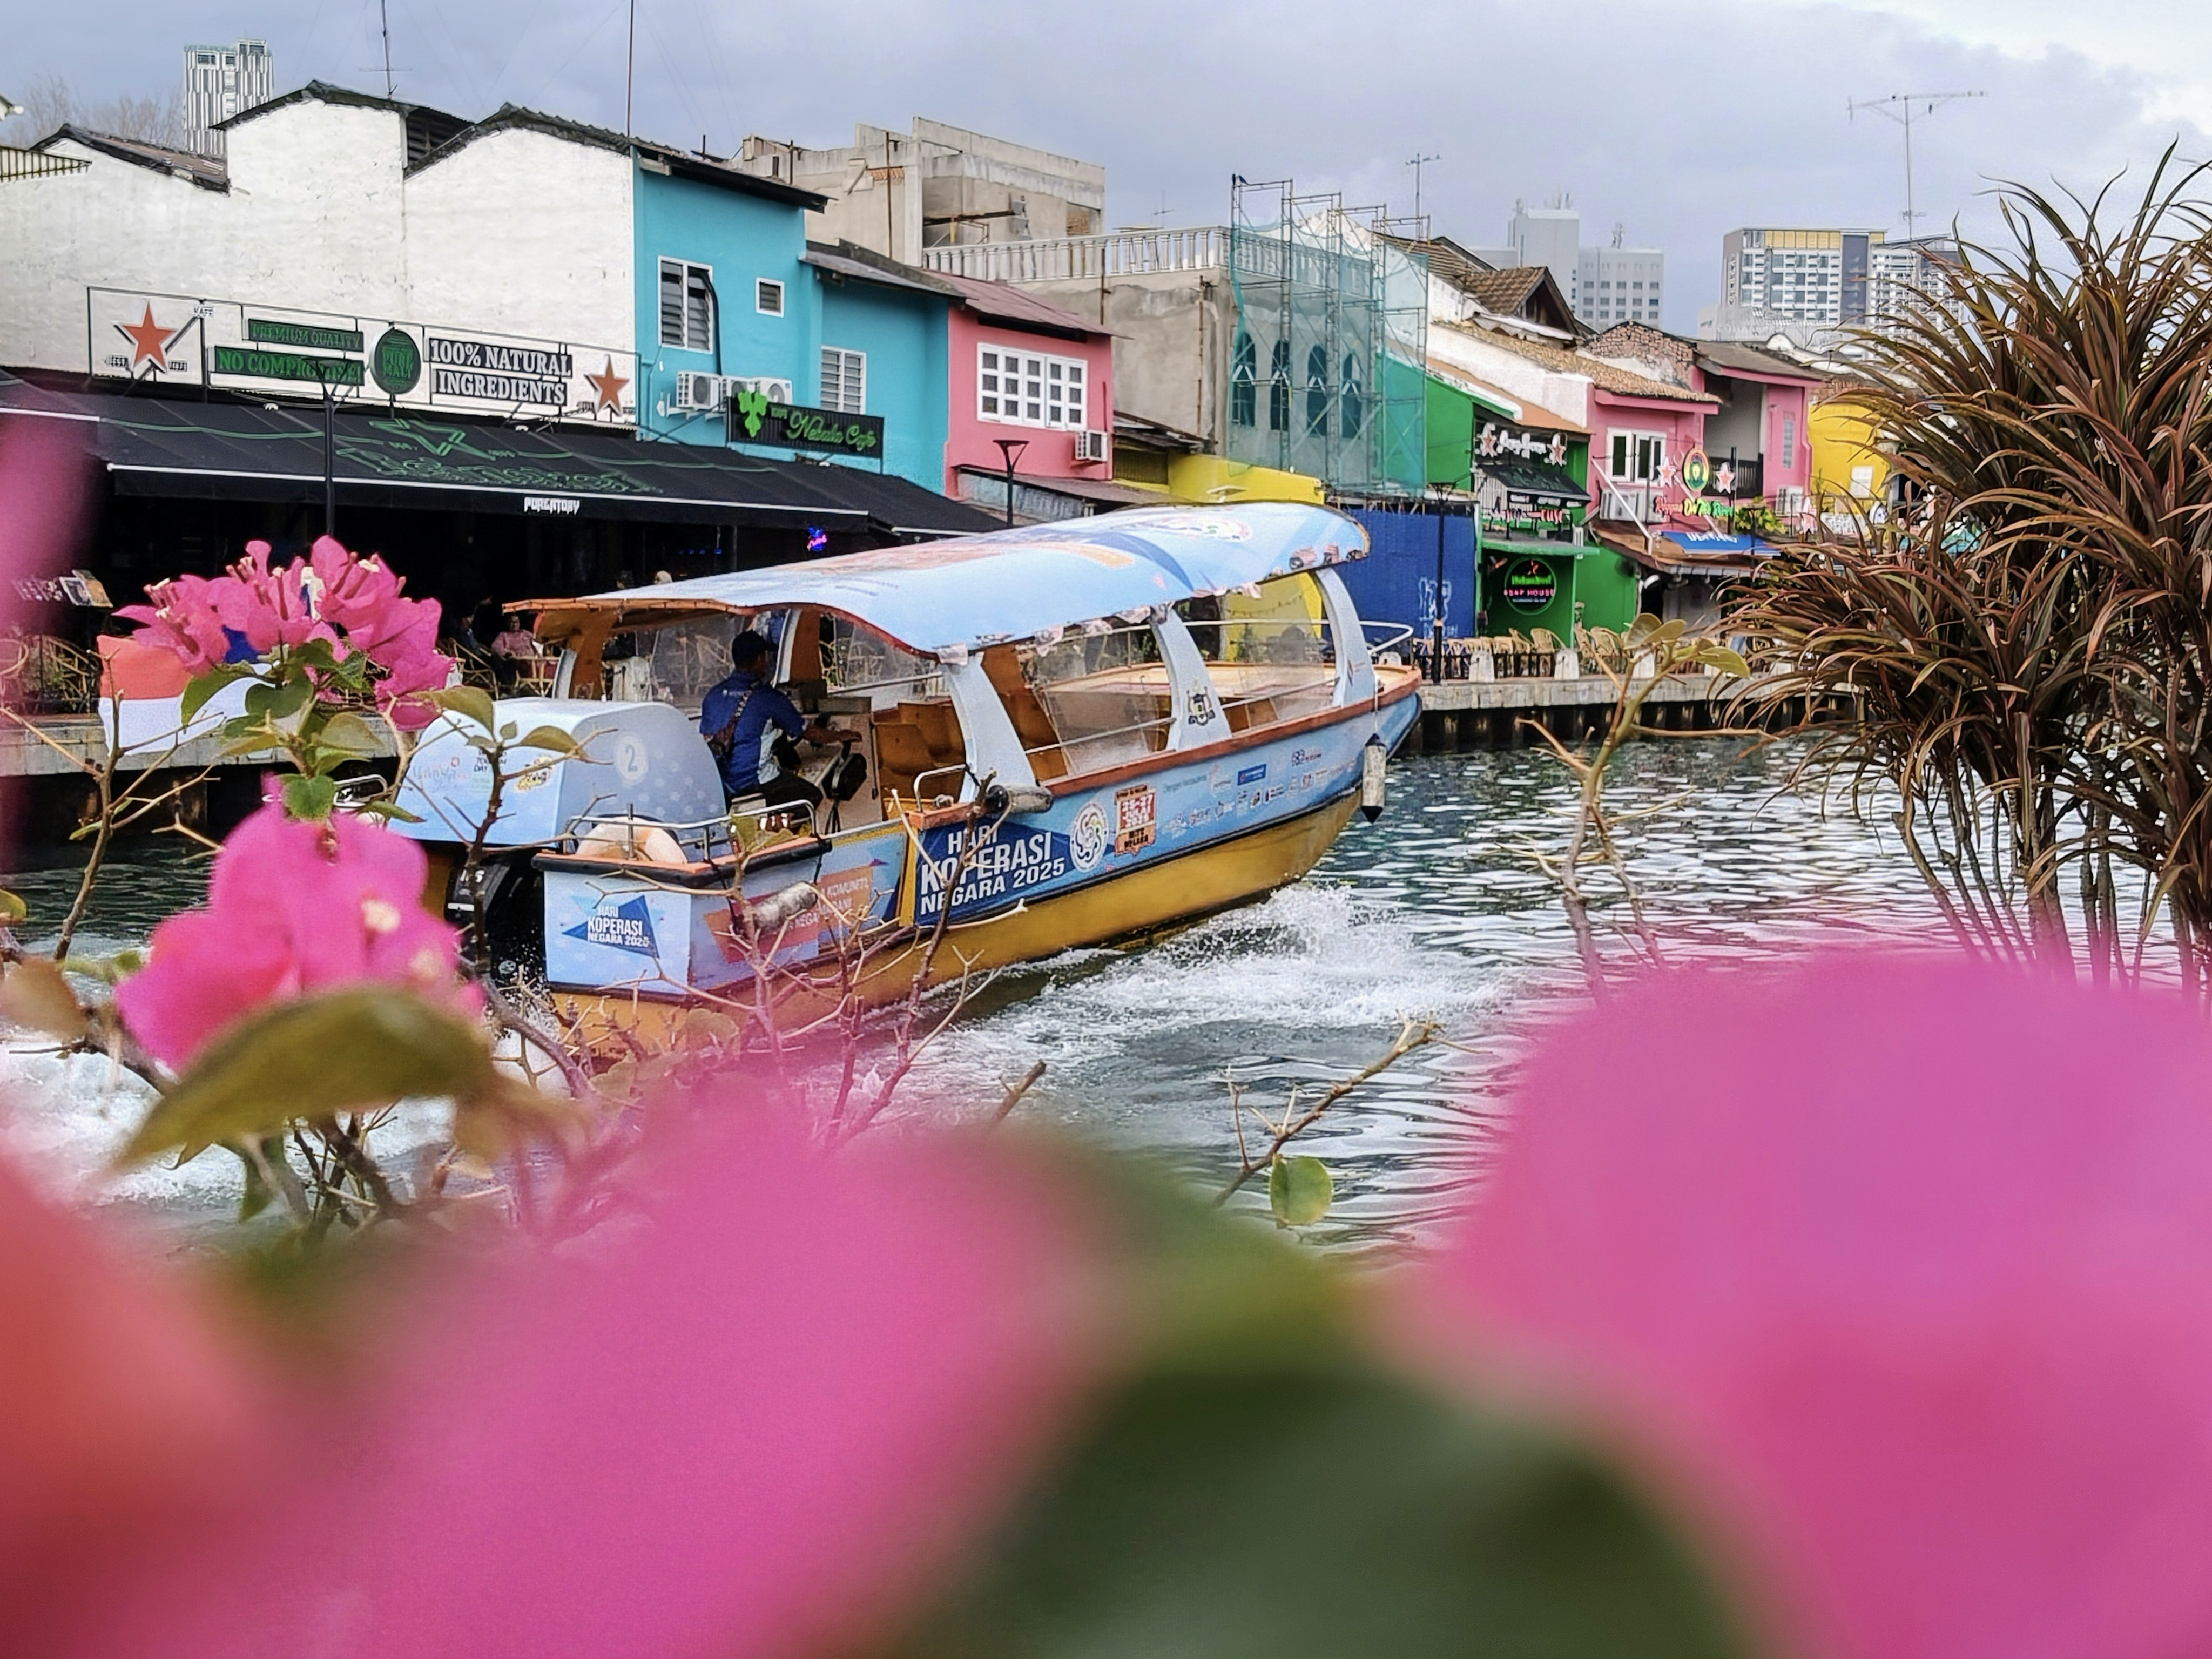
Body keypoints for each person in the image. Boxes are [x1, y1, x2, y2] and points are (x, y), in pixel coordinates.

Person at [699, 631, 853, 811]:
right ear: (759, 659)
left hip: (722, 783)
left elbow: (706, 737)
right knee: (810, 796)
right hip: (753, 781)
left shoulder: (713, 695)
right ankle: (782, 835)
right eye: (764, 658)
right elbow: (811, 734)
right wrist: (840, 735)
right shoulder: (769, 698)